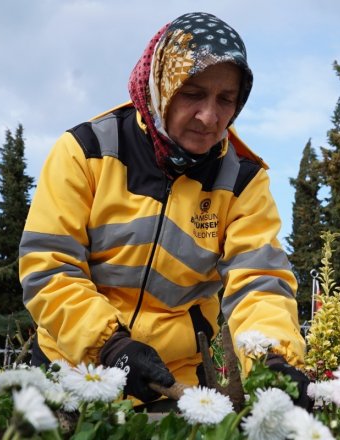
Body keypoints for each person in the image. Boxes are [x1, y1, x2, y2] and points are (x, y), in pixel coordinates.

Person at [19, 12, 309, 409]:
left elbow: (258, 283)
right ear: (162, 84)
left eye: (226, 99)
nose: (210, 117)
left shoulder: (242, 180)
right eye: (192, 92)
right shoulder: (86, 150)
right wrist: (111, 345)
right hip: (69, 368)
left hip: (173, 386)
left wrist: (274, 361)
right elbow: (48, 266)